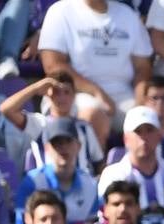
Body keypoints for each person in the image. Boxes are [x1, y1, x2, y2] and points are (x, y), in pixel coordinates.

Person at [37, 0, 152, 147]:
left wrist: (140, 101)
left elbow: (143, 67)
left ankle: (142, 169)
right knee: (93, 116)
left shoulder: (128, 15)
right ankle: (94, 168)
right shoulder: (60, 12)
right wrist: (97, 92)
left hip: (124, 95)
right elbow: (53, 65)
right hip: (75, 92)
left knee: (150, 119)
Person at [11, 117, 100, 224]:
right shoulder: (32, 182)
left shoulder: (90, 185)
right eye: (56, 142)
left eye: (68, 141)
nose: (63, 147)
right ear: (47, 148)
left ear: (79, 146)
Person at [0, 73, 104, 176]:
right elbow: (6, 109)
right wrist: (35, 88)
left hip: (82, 189)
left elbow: (98, 162)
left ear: (74, 96)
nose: (62, 97)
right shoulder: (39, 123)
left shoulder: (84, 127)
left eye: (67, 92)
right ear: (47, 95)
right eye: (57, 92)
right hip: (48, 189)